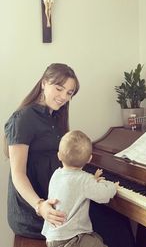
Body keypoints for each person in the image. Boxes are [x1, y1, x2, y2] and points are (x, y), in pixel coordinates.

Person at [4, 63, 136, 247]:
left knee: (117, 219)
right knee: (113, 225)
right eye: (59, 88)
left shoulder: (56, 117)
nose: (63, 97)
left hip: (63, 200)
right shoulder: (23, 118)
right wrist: (40, 205)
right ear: (44, 83)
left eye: (69, 93)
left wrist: (89, 179)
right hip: (37, 209)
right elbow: (18, 174)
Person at [42, 130, 119, 247]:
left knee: (97, 238)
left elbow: (74, 186)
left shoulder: (57, 174)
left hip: (53, 238)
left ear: (59, 156)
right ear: (89, 159)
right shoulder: (83, 179)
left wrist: (93, 179)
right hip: (71, 240)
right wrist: (113, 187)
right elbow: (103, 195)